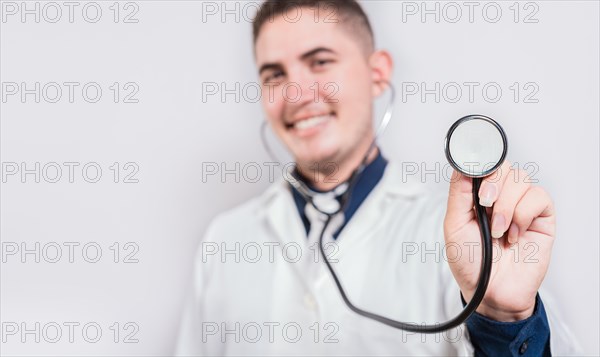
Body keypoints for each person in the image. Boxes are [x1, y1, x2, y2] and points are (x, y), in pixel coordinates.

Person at [176, 0, 579, 355]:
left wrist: (504, 319)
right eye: (274, 75)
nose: (296, 93)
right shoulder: (226, 239)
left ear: (377, 73)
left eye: (319, 62)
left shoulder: (473, 235)